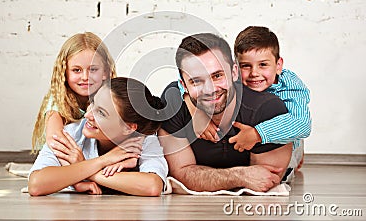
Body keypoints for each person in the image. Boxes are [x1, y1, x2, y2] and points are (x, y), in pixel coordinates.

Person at [158, 33, 292, 192]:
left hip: (281, 130)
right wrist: (239, 175)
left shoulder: (267, 109)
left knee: (293, 156)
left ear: (234, 72)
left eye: (217, 75)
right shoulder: (173, 105)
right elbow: (181, 174)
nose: (210, 90)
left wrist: (207, 177)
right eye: (196, 81)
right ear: (184, 85)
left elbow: (266, 180)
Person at [190, 26, 311, 180]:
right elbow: (185, 83)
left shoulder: (290, 85)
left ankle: (296, 155)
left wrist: (256, 134)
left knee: (286, 164)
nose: (254, 73)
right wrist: (197, 113)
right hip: (245, 144)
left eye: (263, 65)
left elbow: (302, 123)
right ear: (235, 67)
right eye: (246, 66)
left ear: (278, 65)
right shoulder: (232, 77)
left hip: (282, 142)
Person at [28, 77, 168, 196]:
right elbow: (36, 184)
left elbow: (152, 186)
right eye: (92, 103)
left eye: (101, 113)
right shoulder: (72, 135)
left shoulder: (144, 141)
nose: (87, 115)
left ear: (128, 127)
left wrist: (86, 171)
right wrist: (103, 161)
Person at [31, 32, 116, 154]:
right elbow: (55, 141)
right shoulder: (58, 100)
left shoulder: (109, 97)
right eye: (77, 70)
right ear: (64, 72)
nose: (85, 77)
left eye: (93, 69)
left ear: (105, 72)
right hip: (61, 159)